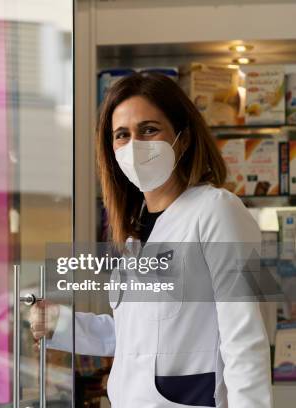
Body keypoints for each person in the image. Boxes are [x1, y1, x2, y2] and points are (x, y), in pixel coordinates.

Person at [29, 73, 272, 407]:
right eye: (122, 135)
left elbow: (244, 338)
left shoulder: (217, 211)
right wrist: (60, 322)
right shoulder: (135, 230)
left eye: (149, 129)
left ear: (182, 139)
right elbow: (137, 339)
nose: (135, 146)